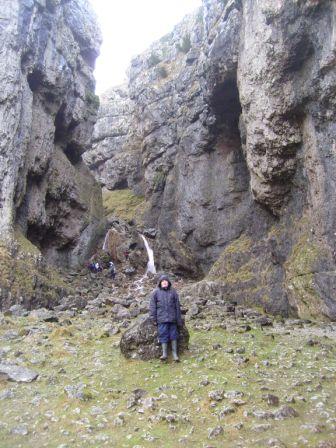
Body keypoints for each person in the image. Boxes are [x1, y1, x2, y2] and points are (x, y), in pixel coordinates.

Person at [149, 274, 183, 362]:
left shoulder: (173, 292)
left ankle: (175, 354)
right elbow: (152, 307)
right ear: (160, 283)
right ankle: (164, 354)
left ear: (168, 282)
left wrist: (179, 320)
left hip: (172, 319)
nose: (164, 282)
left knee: (174, 335)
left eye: (166, 281)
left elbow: (177, 307)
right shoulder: (155, 293)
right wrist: (153, 319)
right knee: (163, 335)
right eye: (162, 281)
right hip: (161, 319)